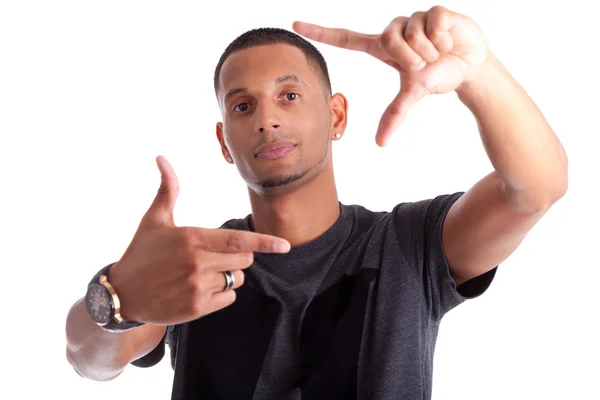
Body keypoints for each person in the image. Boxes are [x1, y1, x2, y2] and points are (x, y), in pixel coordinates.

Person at [65, 5, 568, 400]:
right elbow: (88, 360)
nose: (267, 120)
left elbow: (534, 188)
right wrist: (117, 301)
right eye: (244, 106)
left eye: (289, 95)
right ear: (224, 141)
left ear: (337, 116)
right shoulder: (194, 263)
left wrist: (478, 73)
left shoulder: (407, 245)